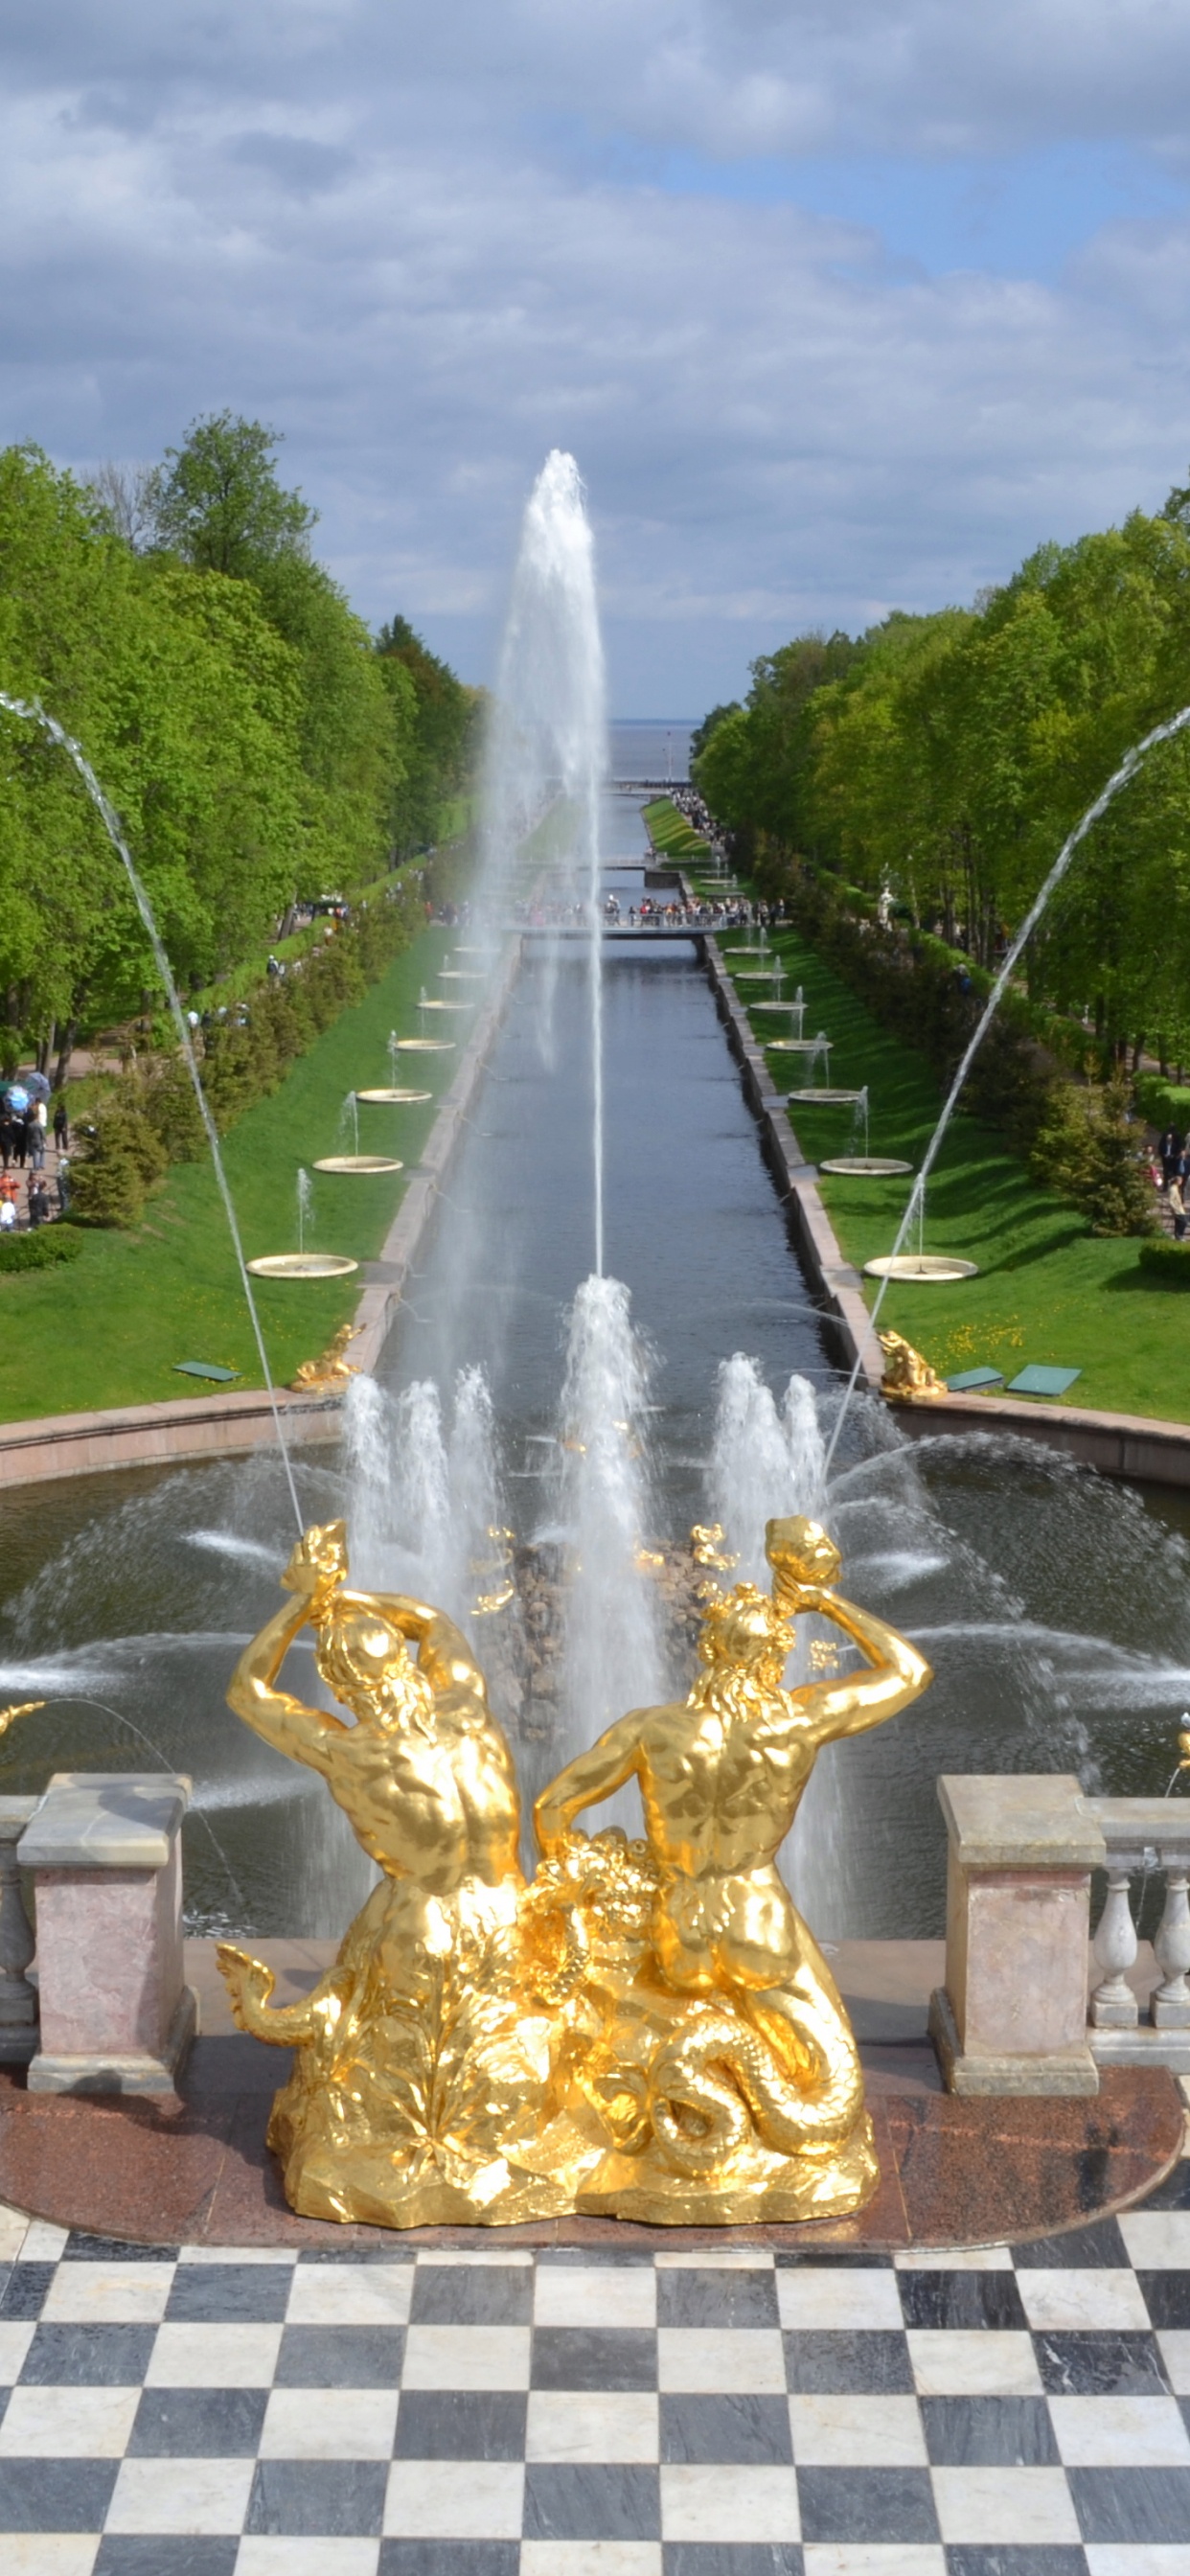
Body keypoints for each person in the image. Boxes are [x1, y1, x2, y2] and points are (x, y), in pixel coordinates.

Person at [535, 1515, 931, 2150]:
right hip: (756, 1923)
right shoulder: (797, 1722)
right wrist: (823, 1601)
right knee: (828, 2074)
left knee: (654, 2004)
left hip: (678, 1932)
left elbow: (552, 1807)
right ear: (778, 1657)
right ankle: (734, 2118)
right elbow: (910, 1672)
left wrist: (578, 1887)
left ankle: (689, 2111)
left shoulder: (651, 1730)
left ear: (710, 1649)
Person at [1159, 1125, 1183, 1189]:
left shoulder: (1174, 1145)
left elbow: (1178, 1150)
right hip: (1165, 1159)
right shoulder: (1163, 1144)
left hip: (1173, 1160)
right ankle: (1165, 1187)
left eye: (1170, 1138)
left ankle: (1174, 1186)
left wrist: (1174, 1156)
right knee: (1166, 1173)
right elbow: (1160, 1150)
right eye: (1168, 1138)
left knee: (1174, 1173)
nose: (1169, 1139)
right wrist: (1163, 1155)